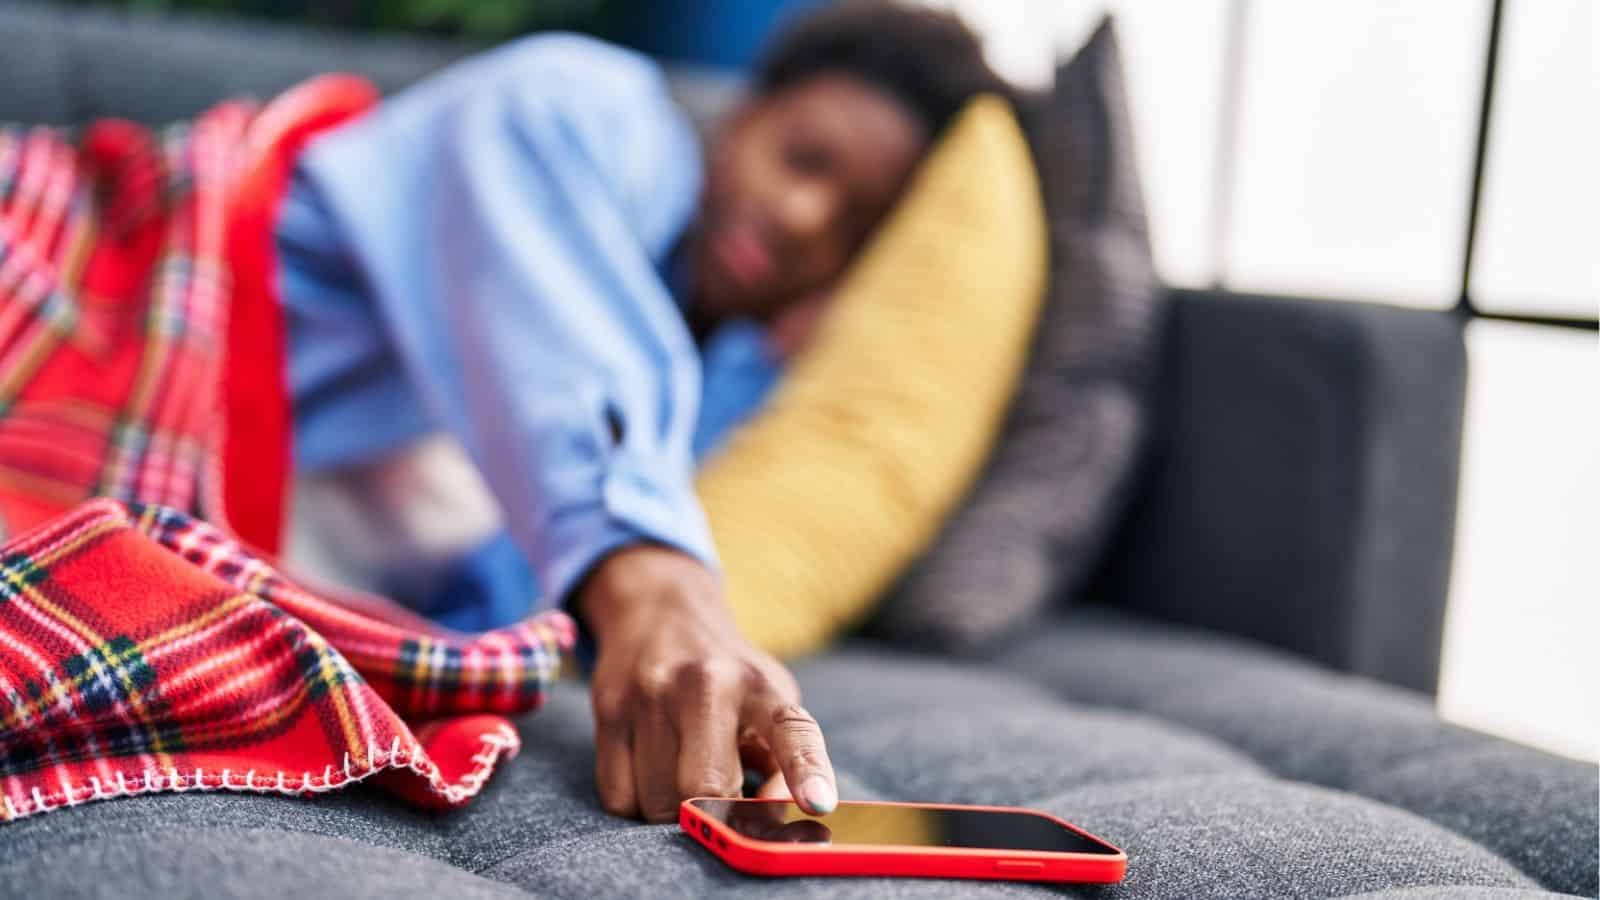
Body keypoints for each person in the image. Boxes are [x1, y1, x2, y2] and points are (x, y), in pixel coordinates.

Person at [274, 1, 1006, 824]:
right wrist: (655, 586)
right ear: (743, 113)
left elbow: (518, 587)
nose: (806, 218)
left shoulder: (726, 392)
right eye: (803, 159)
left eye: (855, 227)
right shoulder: (599, 113)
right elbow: (528, 150)